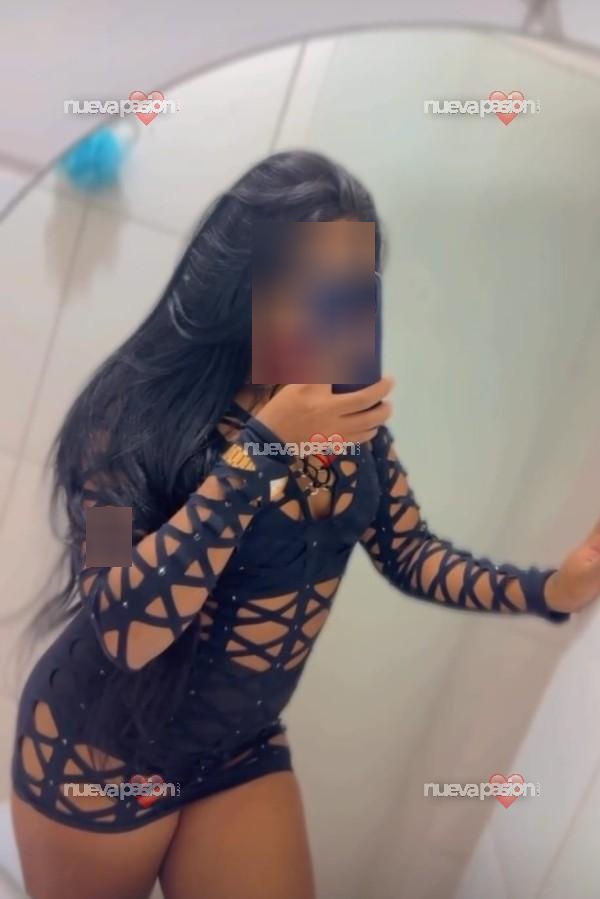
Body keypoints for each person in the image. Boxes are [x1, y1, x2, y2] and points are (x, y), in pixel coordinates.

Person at [10, 150, 600, 899]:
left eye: (351, 284)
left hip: (238, 748)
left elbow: (410, 551)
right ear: (242, 281)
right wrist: (264, 448)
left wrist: (552, 588)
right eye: (307, 281)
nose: (330, 307)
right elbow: (124, 624)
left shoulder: (346, 430)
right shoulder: (125, 420)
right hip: (100, 754)